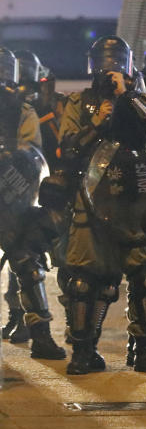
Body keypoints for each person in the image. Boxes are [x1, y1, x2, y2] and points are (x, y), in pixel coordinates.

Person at [59, 36, 146, 374]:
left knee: (145, 277)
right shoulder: (79, 102)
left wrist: (124, 98)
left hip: (136, 200)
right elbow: (68, 150)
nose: (110, 68)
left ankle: (144, 350)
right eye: (104, 62)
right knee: (87, 281)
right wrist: (99, 120)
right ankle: (83, 353)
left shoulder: (141, 99)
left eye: (117, 62)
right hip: (92, 199)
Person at [0, 48, 67, 359]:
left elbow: (29, 156)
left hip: (12, 195)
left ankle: (39, 333)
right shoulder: (21, 107)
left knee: (28, 262)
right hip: (13, 197)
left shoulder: (21, 109)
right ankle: (38, 333)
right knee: (28, 262)